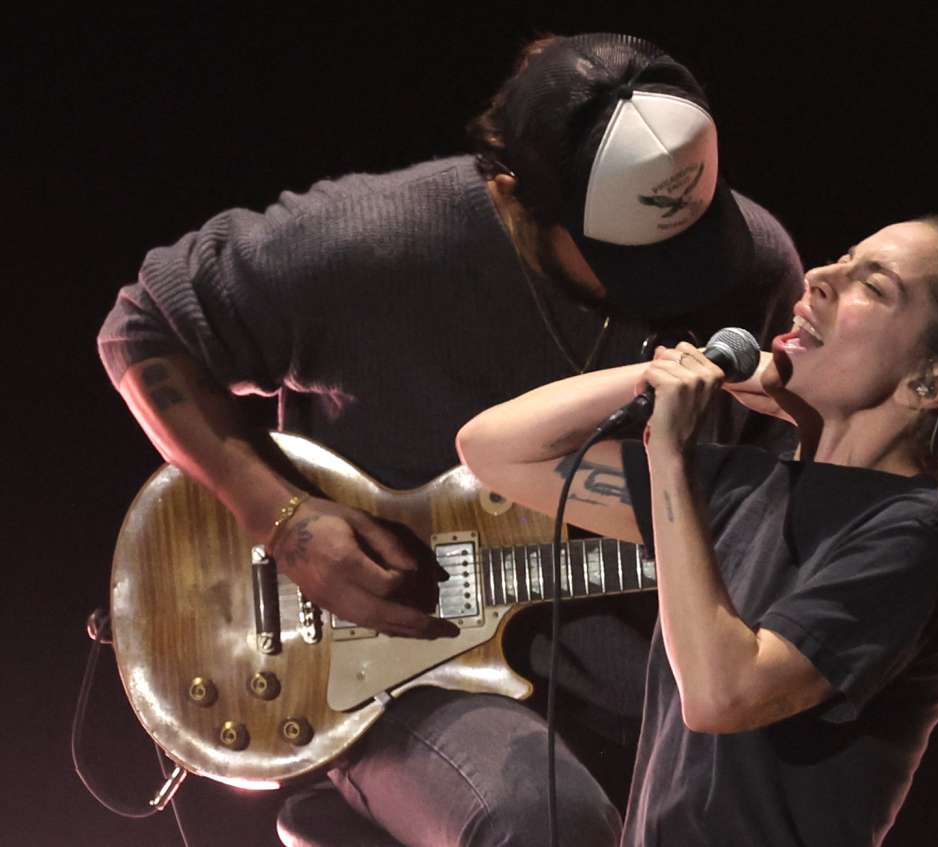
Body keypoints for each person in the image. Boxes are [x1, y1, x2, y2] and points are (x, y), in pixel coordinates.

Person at [97, 33, 802, 847]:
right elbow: (143, 328)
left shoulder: (753, 268)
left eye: (695, 237)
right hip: (397, 668)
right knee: (543, 822)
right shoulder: (380, 241)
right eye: (629, 259)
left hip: (641, 675)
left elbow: (773, 500)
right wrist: (282, 520)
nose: (680, 282)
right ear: (513, 196)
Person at [457, 215, 938, 846]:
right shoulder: (743, 484)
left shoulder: (915, 534)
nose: (820, 277)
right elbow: (495, 449)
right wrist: (696, 374)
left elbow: (723, 695)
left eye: (873, 286)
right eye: (842, 257)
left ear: (928, 383)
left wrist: (670, 456)